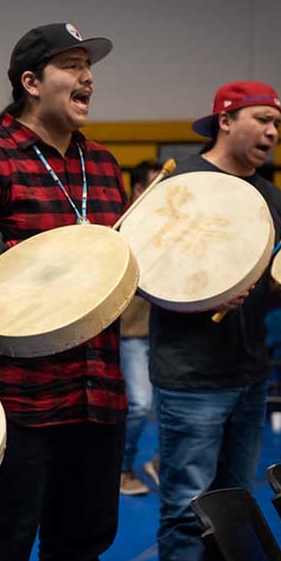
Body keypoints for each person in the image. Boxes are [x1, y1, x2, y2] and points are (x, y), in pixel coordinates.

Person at [0, 22, 128, 561]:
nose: (88, 78)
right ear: (31, 82)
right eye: (73, 66)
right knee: (0, 554)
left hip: (98, 393)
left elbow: (123, 272)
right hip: (22, 401)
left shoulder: (104, 164)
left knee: (81, 553)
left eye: (90, 68)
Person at [150, 81, 281, 561]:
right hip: (191, 378)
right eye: (261, 119)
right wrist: (201, 298)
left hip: (250, 374)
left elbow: (261, 289)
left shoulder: (269, 194)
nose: (271, 131)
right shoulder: (182, 184)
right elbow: (144, 277)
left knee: (233, 508)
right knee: (188, 512)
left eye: (276, 123)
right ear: (225, 120)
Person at [120, 160, 161, 496]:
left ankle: (161, 463)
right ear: (137, 189)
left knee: (173, 406)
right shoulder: (123, 226)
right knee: (139, 404)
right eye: (156, 183)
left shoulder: (168, 224)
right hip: (131, 333)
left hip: (167, 333)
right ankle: (122, 470)